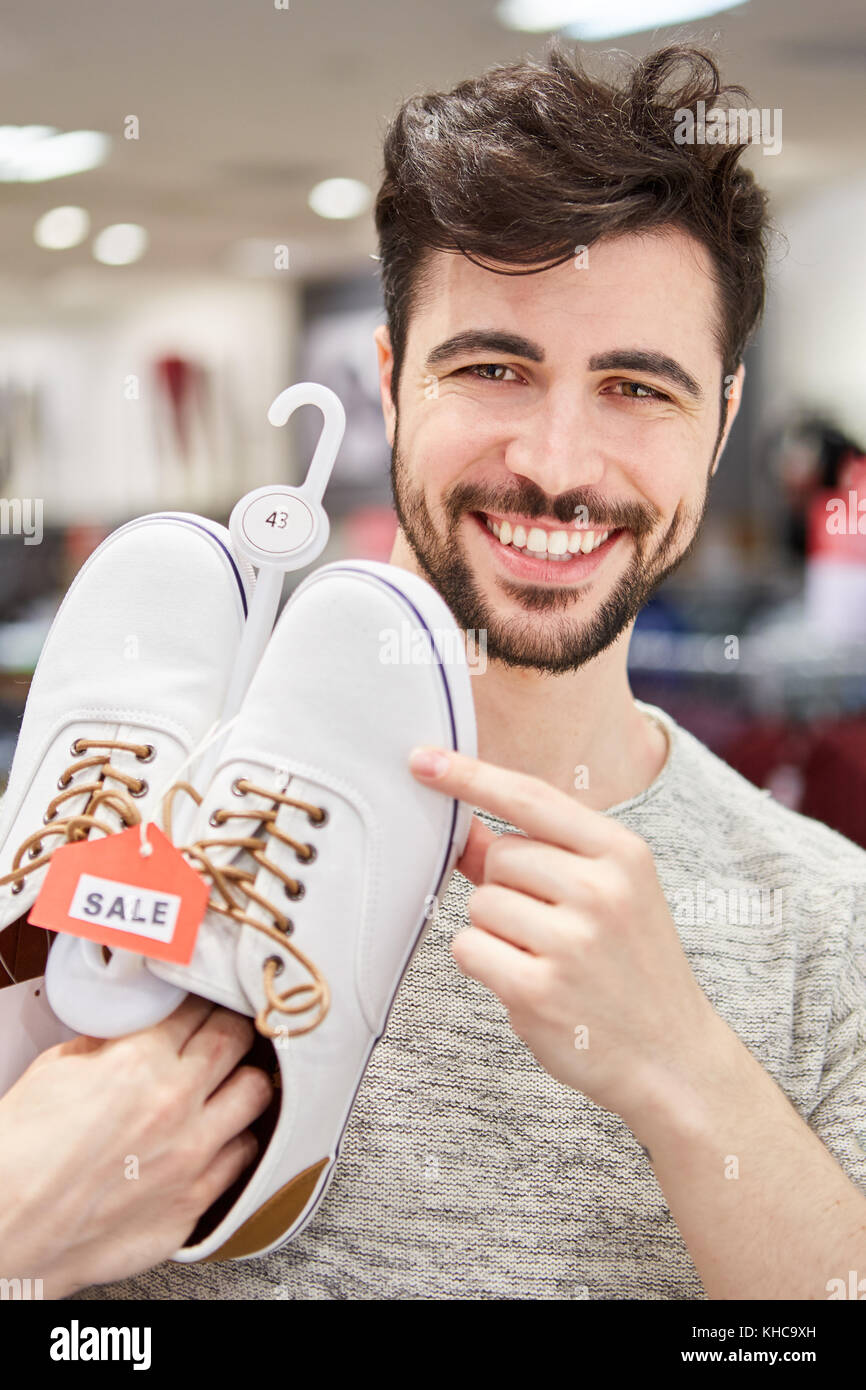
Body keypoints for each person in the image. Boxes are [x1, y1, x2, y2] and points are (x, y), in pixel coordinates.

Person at [8, 39, 866, 1301]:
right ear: (391, 387)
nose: (558, 462)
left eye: (636, 387)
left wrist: (682, 1066)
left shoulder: (825, 923)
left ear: (722, 421)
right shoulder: (130, 775)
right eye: (493, 367)